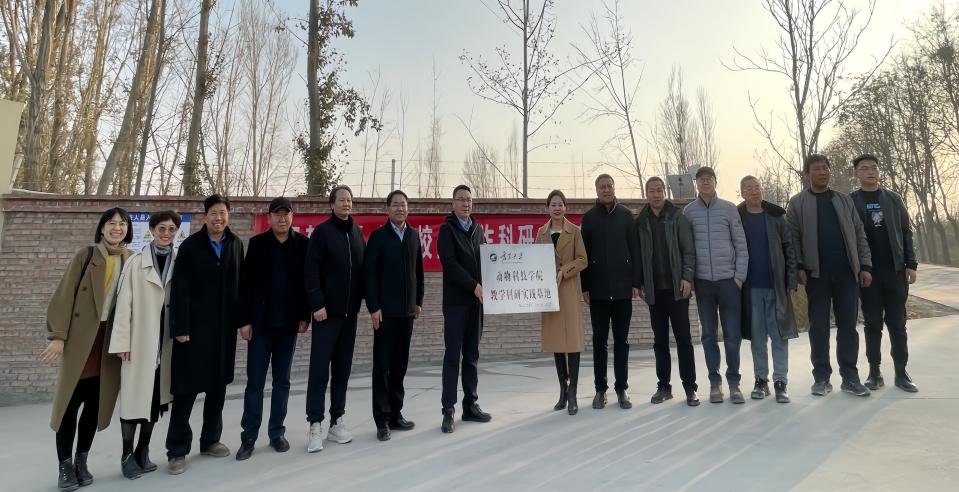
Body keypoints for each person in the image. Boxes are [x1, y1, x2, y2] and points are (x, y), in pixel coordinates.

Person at [44, 207, 133, 491]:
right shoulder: (86, 256)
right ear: (102, 227)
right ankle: (65, 465)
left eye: (122, 223)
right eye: (111, 223)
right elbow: (64, 295)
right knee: (69, 406)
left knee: (94, 407)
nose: (117, 228)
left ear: (128, 229)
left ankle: (81, 461)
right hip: (82, 340)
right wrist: (58, 336)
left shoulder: (130, 259)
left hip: (109, 342)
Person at [166, 194, 244, 474]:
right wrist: (181, 328)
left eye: (223, 213)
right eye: (213, 213)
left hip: (223, 332)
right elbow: (180, 290)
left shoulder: (235, 244)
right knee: (186, 391)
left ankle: (210, 440)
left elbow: (240, 286)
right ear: (205, 216)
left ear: (228, 215)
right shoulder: (191, 246)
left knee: (217, 388)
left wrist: (243, 321)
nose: (218, 218)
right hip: (194, 332)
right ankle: (177, 450)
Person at [786, 154, 873, 397]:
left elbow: (859, 234)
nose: (822, 172)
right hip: (816, 275)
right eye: (817, 169)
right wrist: (798, 267)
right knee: (819, 328)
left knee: (848, 327)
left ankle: (850, 377)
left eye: (825, 168)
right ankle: (821, 377)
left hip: (847, 274)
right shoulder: (797, 203)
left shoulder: (844, 200)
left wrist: (865, 265)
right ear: (807, 174)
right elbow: (792, 239)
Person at [235, 197, 310, 460]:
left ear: (292, 217)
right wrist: (244, 321)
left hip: (287, 327)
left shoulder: (302, 244)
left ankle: (277, 432)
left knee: (282, 382)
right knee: (255, 383)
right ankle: (249, 437)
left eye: (286, 214)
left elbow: (307, 284)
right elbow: (244, 285)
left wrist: (305, 316)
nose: (282, 218)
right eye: (277, 214)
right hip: (260, 326)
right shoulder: (257, 244)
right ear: (269, 218)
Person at [109, 210, 181, 479]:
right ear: (151, 230)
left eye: (171, 229)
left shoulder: (179, 261)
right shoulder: (136, 263)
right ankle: (127, 455)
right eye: (161, 228)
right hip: (138, 342)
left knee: (155, 400)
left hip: (166, 342)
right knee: (133, 399)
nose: (166, 234)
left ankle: (143, 450)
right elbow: (123, 306)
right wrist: (121, 342)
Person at [850, 154, 919, 392]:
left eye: (874, 168)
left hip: (895, 271)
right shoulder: (851, 201)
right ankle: (874, 372)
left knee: (898, 324)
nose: (871, 172)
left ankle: (901, 373)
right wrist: (859, 267)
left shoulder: (893, 198)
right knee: (872, 324)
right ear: (856, 174)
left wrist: (911, 263)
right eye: (864, 168)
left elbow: (906, 232)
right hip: (868, 274)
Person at [305, 185, 366, 452]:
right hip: (326, 315)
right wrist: (317, 304)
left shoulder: (357, 233)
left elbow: (362, 272)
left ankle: (336, 420)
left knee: (342, 370)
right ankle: (315, 424)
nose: (346, 203)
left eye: (349, 200)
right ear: (331, 204)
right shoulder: (322, 233)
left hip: (349, 316)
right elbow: (311, 271)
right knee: (319, 371)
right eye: (341, 200)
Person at [683, 167, 749, 404]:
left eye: (709, 179)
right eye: (701, 180)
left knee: (732, 335)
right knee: (709, 335)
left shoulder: (729, 209)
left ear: (715, 182)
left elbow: (741, 245)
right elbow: (686, 248)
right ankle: (715, 383)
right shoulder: (689, 212)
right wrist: (690, 277)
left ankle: (734, 383)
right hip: (704, 284)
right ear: (697, 183)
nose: (705, 183)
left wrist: (739, 277)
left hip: (729, 282)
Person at [365, 190, 425, 441]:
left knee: (400, 365)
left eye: (404, 205)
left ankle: (395, 413)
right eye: (396, 205)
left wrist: (418, 301)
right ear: (387, 209)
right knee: (382, 367)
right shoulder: (378, 237)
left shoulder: (413, 235)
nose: (400, 209)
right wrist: (373, 307)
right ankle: (382, 420)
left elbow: (418, 271)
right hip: (385, 314)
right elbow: (369, 275)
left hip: (406, 313)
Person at [635, 177, 699, 406]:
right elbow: (638, 255)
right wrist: (640, 283)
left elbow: (688, 249)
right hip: (655, 292)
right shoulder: (641, 221)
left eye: (659, 190)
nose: (656, 194)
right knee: (660, 341)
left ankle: (690, 388)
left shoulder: (677, 216)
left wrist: (687, 276)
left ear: (665, 192)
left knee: (684, 340)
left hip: (677, 289)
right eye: (651, 191)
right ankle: (664, 386)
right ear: (646, 194)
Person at [580, 174, 642, 410]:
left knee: (622, 341)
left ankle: (621, 389)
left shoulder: (626, 215)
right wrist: (585, 287)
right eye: (602, 187)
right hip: (598, 292)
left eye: (609, 186)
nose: (606, 190)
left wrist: (635, 282)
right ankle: (600, 389)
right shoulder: (589, 218)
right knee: (599, 342)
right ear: (596, 190)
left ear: (614, 188)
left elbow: (635, 250)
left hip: (623, 290)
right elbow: (583, 256)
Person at [738, 177, 799, 404]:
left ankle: (780, 382)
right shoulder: (737, 218)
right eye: (749, 189)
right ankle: (761, 380)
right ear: (742, 193)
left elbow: (789, 249)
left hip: (777, 287)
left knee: (779, 336)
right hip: (750, 288)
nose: (754, 192)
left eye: (757, 188)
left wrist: (791, 280)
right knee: (757, 338)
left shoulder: (776, 217)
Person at [438, 184, 491, 433]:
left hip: (475, 304)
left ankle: (470, 405)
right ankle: (448, 410)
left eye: (469, 200)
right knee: (453, 356)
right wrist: (473, 285)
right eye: (461, 199)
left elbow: (489, 259)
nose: (466, 203)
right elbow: (450, 264)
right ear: (453, 204)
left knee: (471, 355)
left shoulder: (478, 229)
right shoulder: (447, 230)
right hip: (456, 304)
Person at [535, 189, 588, 415]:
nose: (557, 208)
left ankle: (573, 392)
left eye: (560, 204)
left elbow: (583, 260)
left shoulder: (574, 231)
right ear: (547, 208)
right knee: (556, 342)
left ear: (565, 207)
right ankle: (563, 391)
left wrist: (563, 271)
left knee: (572, 342)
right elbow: (534, 261)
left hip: (568, 291)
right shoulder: (541, 233)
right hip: (549, 293)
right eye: (553, 204)